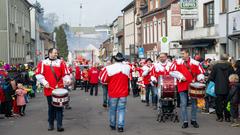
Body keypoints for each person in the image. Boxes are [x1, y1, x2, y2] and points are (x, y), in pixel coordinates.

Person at [35, 48, 71, 132]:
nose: (56, 54)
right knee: (51, 107)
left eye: (56, 53)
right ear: (50, 53)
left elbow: (65, 74)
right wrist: (44, 82)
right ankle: (50, 124)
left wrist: (67, 79)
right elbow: (38, 74)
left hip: (59, 89)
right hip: (49, 89)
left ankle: (59, 125)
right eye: (55, 53)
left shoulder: (61, 62)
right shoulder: (43, 63)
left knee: (59, 107)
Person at [170, 49, 205, 128]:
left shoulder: (196, 63)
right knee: (183, 104)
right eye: (181, 54)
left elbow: (201, 73)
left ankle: (193, 120)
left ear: (187, 54)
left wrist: (201, 78)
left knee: (194, 104)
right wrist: (180, 76)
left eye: (183, 53)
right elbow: (171, 72)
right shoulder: (177, 62)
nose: (182, 55)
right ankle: (185, 121)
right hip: (182, 85)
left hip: (193, 86)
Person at [100, 53, 131, 132]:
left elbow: (102, 79)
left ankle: (113, 125)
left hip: (113, 92)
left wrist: (108, 82)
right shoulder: (127, 68)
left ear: (114, 59)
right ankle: (120, 126)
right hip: (123, 92)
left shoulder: (109, 68)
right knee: (121, 109)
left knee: (112, 109)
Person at [209, 54, 234, 122]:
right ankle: (227, 117)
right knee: (227, 103)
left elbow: (211, 77)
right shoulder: (230, 66)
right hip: (228, 87)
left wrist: (216, 81)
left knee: (218, 103)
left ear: (220, 58)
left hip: (218, 87)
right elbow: (233, 77)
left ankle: (220, 117)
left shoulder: (216, 66)